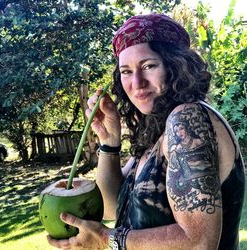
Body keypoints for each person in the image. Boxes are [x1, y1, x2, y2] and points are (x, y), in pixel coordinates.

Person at [47, 13, 245, 250]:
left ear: (176, 66)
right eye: (126, 71)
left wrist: (105, 240)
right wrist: (109, 142)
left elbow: (199, 242)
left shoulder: (187, 119)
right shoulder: (154, 132)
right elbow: (111, 207)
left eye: (148, 65)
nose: (137, 83)